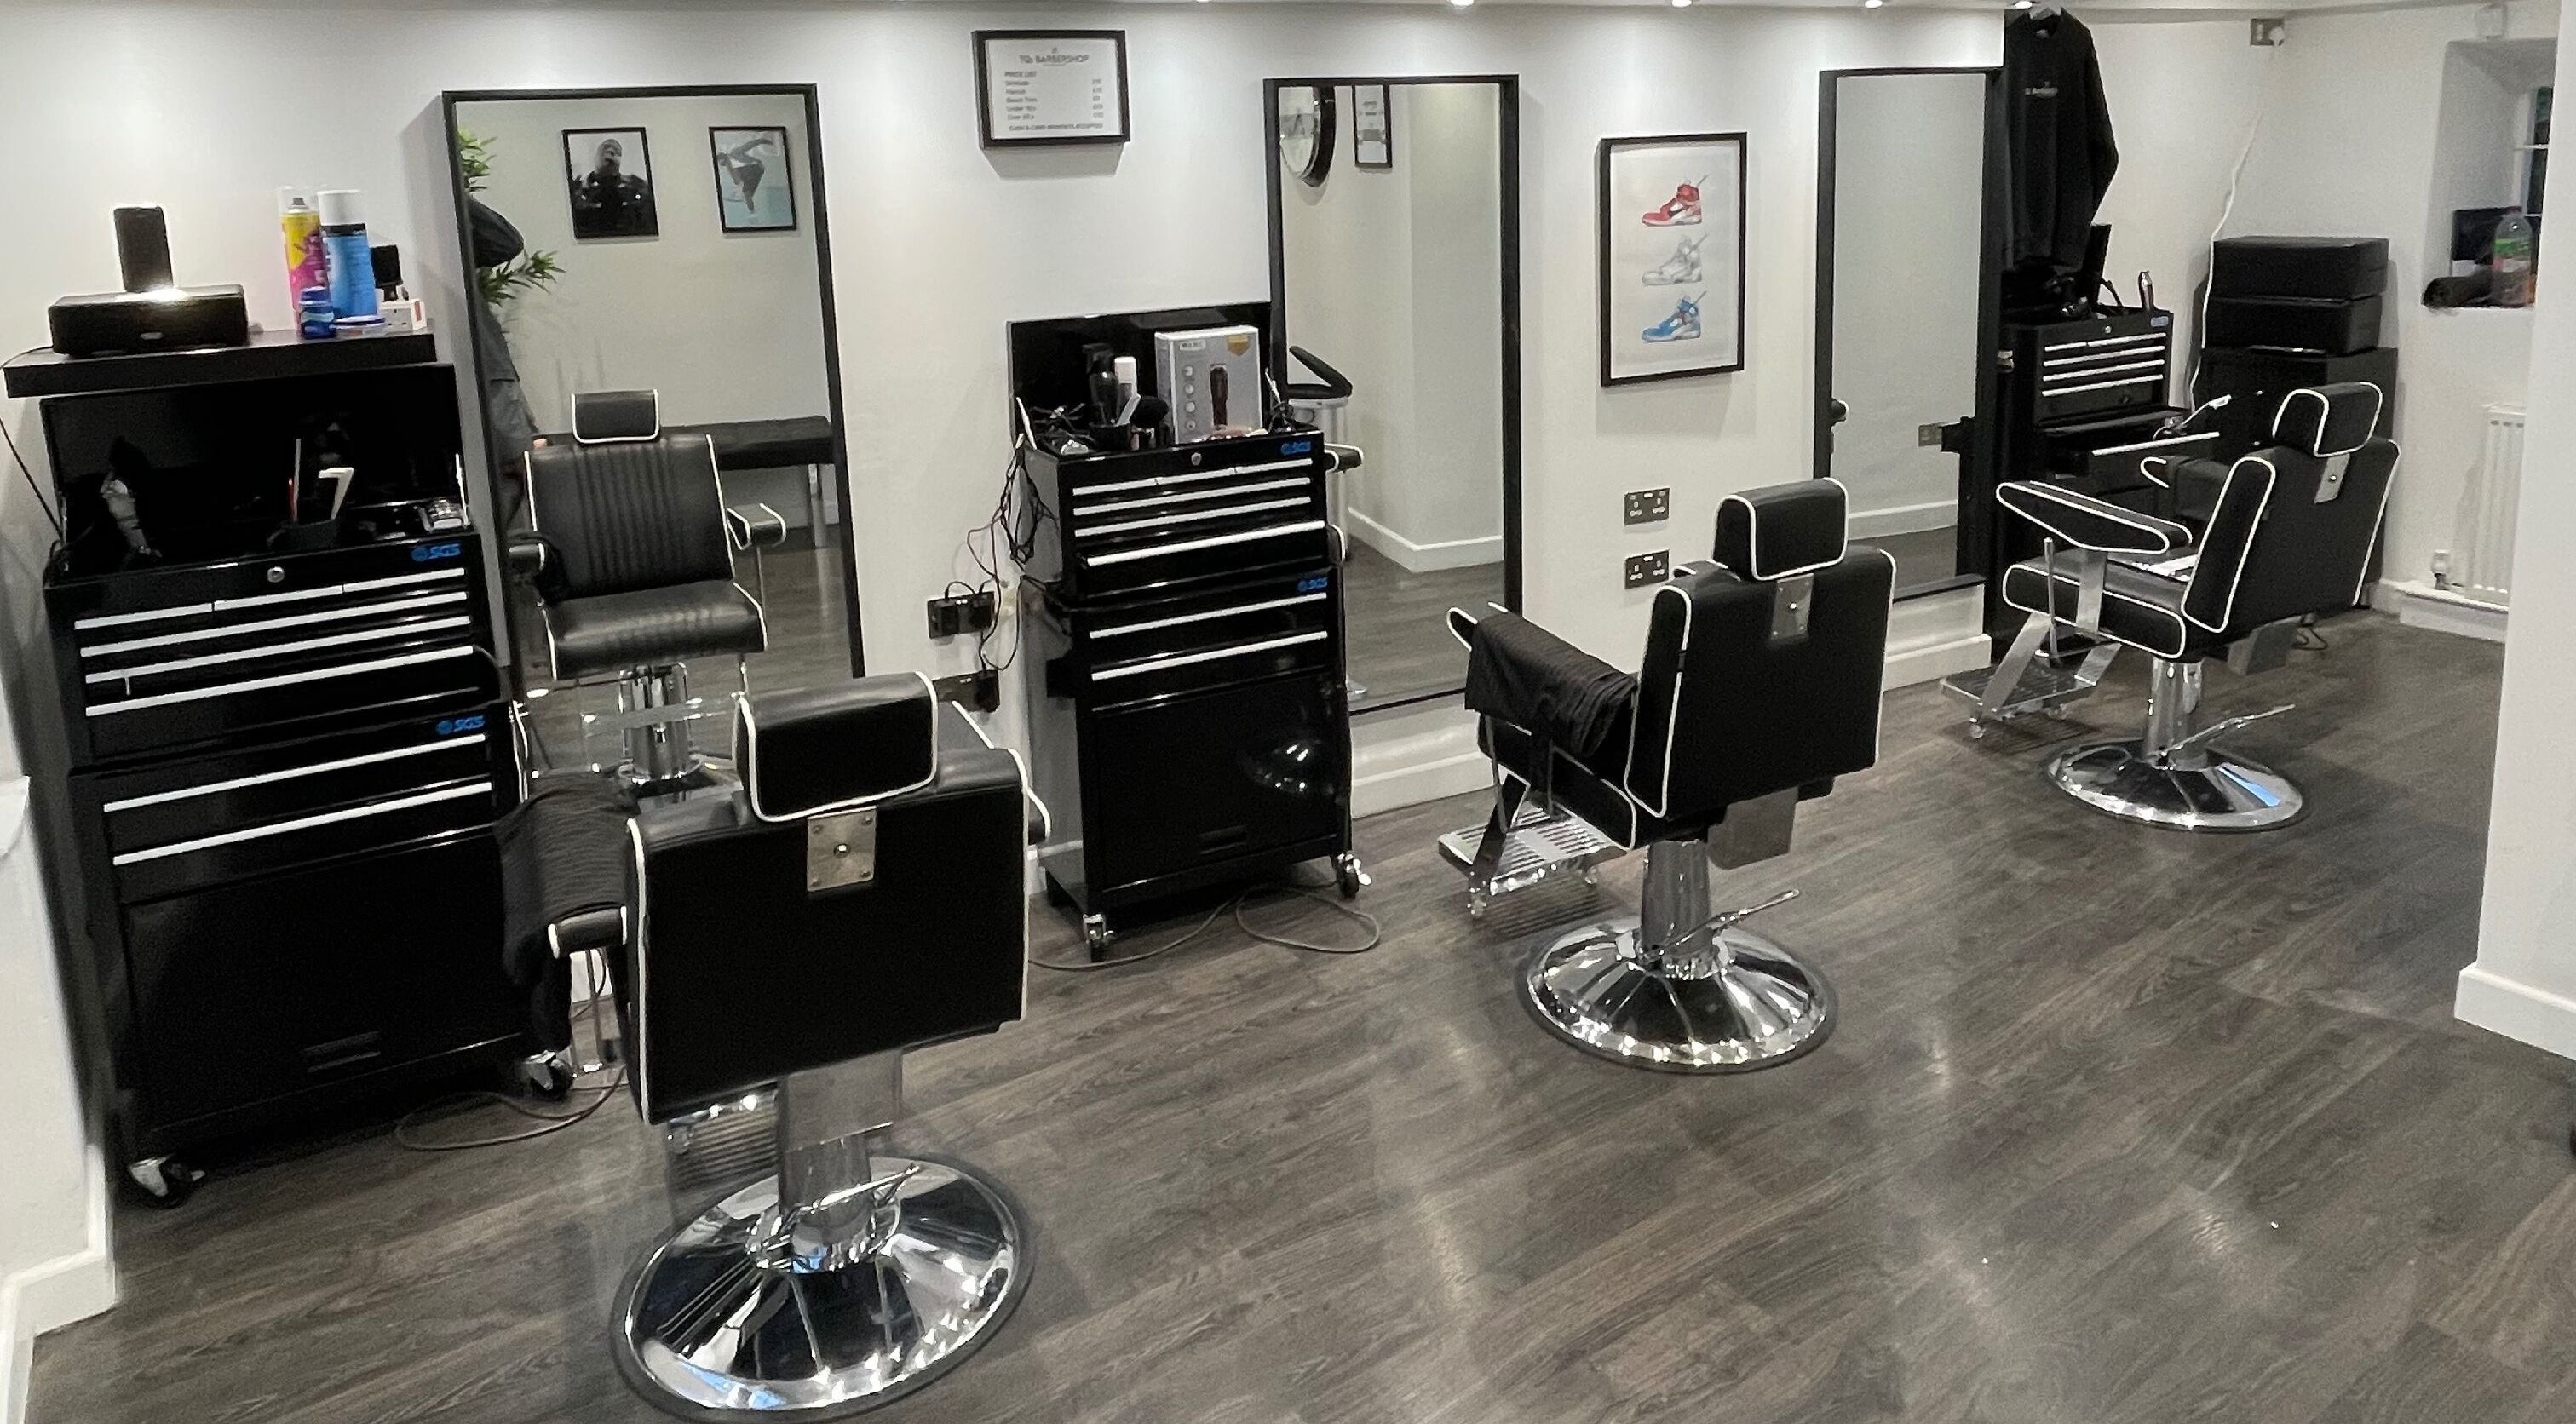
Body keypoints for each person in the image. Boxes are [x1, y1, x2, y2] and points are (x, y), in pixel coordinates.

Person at [570, 136, 656, 237]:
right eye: (606, 148)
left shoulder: (637, 187)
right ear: (595, 157)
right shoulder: (578, 190)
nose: (611, 151)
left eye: (617, 152)